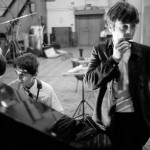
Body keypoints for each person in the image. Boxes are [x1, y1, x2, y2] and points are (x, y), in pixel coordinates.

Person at [85, 1, 150, 150]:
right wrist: (113, 59)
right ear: (110, 26)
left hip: (137, 122)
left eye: (133, 25)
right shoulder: (100, 50)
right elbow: (90, 82)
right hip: (107, 121)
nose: (129, 31)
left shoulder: (146, 53)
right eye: (124, 26)